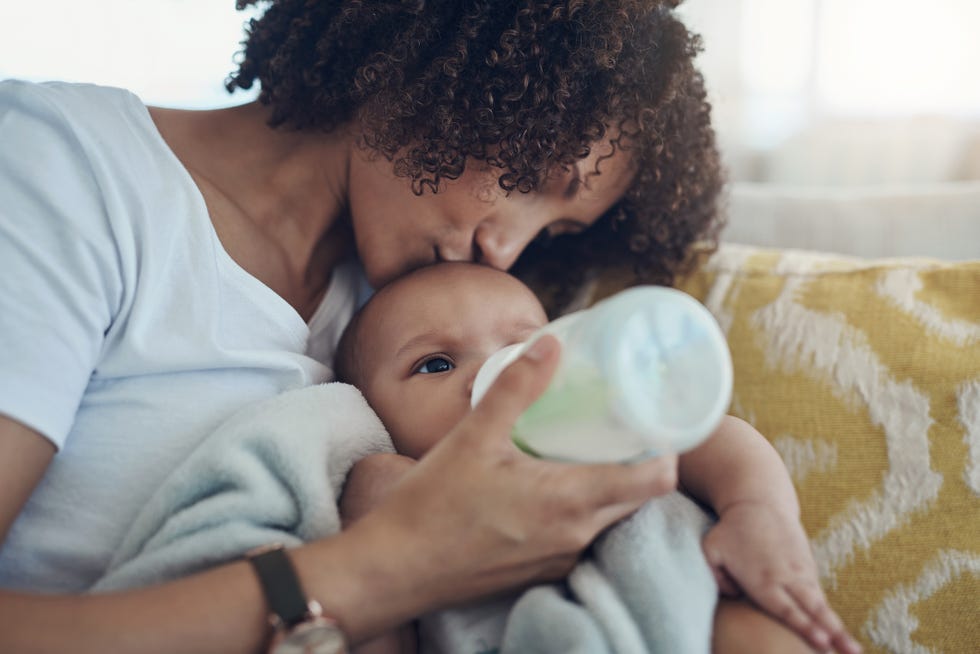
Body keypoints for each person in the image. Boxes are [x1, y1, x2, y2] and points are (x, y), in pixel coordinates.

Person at [0, 1, 839, 652]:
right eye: (529, 174)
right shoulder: (60, 171)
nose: (507, 249)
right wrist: (392, 569)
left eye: (556, 232)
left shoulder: (429, 304)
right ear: (454, 57)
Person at [333, 262, 861, 654]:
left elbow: (710, 435)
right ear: (367, 411)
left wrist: (757, 511)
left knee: (760, 637)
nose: (498, 374)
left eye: (524, 349)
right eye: (436, 364)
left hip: (664, 616)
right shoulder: (388, 479)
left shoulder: (590, 433)